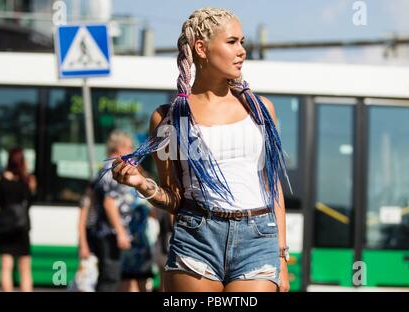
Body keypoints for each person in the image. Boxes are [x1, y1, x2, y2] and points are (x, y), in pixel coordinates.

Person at [112, 7, 290, 292]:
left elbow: (272, 186)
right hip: (197, 238)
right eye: (232, 42)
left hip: (258, 239)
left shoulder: (261, 109)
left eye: (242, 42)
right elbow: (174, 199)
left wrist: (281, 255)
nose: (242, 50)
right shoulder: (169, 117)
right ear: (201, 48)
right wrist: (141, 184)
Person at [81, 130, 135, 292]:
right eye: (128, 147)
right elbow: (109, 203)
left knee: (106, 277)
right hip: (109, 234)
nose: (131, 151)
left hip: (102, 232)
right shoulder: (113, 170)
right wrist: (120, 232)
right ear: (117, 148)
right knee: (110, 279)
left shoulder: (103, 169)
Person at [0, 148, 37, 292]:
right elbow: (30, 200)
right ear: (23, 162)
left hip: (5, 228)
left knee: (5, 267)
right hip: (22, 228)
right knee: (25, 269)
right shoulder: (29, 180)